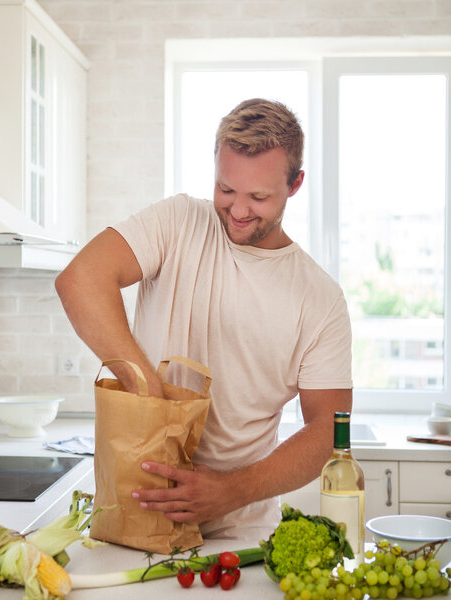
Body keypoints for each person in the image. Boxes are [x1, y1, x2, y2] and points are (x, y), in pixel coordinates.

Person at [55, 98, 352, 541]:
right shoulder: (179, 221)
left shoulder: (320, 298)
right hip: (135, 520)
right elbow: (80, 280)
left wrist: (232, 490)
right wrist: (146, 387)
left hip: (239, 532)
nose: (237, 210)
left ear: (295, 185)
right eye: (226, 189)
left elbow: (328, 429)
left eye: (259, 196)